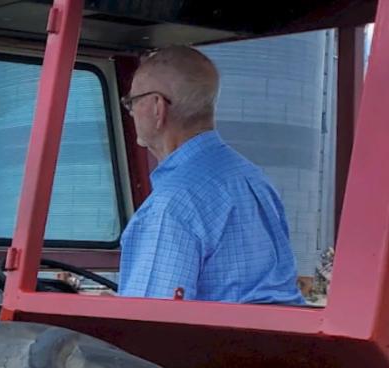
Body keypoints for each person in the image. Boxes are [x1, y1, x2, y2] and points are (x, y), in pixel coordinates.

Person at [118, 46, 304, 304]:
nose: (130, 112)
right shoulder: (253, 180)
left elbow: (148, 322)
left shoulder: (172, 205)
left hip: (218, 344)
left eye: (132, 102)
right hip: (280, 339)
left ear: (157, 107)